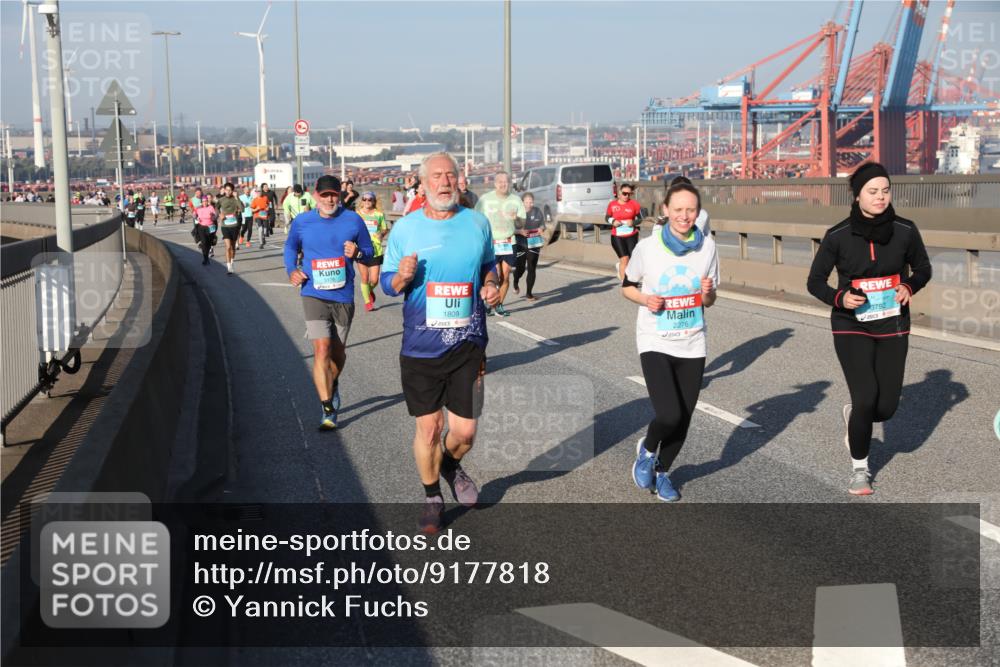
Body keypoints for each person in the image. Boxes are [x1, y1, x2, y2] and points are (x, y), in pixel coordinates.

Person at [381, 152, 500, 533]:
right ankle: (432, 495)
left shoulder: (477, 223)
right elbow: (386, 284)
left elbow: (488, 265)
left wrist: (493, 283)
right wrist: (400, 277)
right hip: (420, 347)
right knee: (429, 429)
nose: (445, 182)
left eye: (451, 175)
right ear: (422, 183)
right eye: (436, 176)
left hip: (468, 343)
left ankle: (449, 465)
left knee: (464, 432)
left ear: (459, 180)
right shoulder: (406, 229)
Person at [806, 162, 932, 496]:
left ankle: (855, 418)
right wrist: (839, 297)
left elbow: (923, 268)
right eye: (873, 191)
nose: (880, 197)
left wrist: (909, 286)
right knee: (865, 398)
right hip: (852, 325)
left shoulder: (905, 230)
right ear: (857, 195)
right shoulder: (838, 235)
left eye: (885, 190)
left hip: (893, 322)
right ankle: (860, 470)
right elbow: (814, 281)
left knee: (885, 407)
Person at [625, 181, 719, 502]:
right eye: (678, 210)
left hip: (693, 342)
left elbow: (710, 300)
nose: (684, 216)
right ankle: (647, 450)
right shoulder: (647, 248)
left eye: (690, 210)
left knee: (685, 417)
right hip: (655, 340)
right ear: (665, 210)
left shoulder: (707, 247)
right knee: (669, 415)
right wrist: (645, 299)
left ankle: (663, 472)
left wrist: (707, 293)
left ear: (698, 211)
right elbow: (627, 286)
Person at [284, 175, 374, 431]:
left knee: (338, 353)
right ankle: (327, 407)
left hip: (343, 295)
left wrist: (357, 253)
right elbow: (290, 248)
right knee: (321, 349)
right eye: (324, 195)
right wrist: (292, 270)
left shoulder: (353, 220)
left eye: (333, 194)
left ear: (340, 195)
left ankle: (332, 384)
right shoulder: (303, 222)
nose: (329, 199)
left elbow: (369, 253)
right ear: (315, 196)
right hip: (313, 292)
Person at [475, 171, 524, 317]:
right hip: (492, 243)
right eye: (500, 182)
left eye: (506, 181)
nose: (503, 184)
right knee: (494, 274)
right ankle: (488, 301)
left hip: (509, 243)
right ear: (495, 183)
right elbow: (476, 218)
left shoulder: (516, 200)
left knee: (505, 277)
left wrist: (516, 218)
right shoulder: (485, 199)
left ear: (509, 183)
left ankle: (499, 305)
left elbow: (522, 222)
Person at [355, 191, 389, 312]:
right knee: (364, 277)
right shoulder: (357, 214)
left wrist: (382, 234)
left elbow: (385, 228)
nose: (367, 201)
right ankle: (368, 302)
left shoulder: (379, 215)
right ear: (361, 201)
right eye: (364, 199)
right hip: (361, 249)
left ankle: (368, 291)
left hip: (376, 249)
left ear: (374, 201)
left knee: (374, 280)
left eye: (370, 199)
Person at [513, 191, 544, 301]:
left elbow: (542, 224)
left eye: (531, 202)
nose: (529, 204)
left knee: (532, 268)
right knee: (520, 268)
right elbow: (510, 230)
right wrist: (519, 232)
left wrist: (541, 228)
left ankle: (529, 294)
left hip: (534, 243)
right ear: (522, 202)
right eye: (527, 202)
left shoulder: (537, 211)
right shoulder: (517, 214)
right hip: (521, 243)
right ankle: (515, 282)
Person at [608, 183, 642, 280]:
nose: (626, 196)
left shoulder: (634, 204)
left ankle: (621, 268)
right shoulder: (612, 205)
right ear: (619, 193)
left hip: (631, 235)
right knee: (624, 259)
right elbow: (607, 217)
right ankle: (625, 283)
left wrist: (633, 222)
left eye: (629, 194)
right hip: (617, 236)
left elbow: (640, 219)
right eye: (624, 193)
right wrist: (613, 221)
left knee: (632, 259)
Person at [216, 182, 244, 275]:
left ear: (232, 191)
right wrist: (220, 214)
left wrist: (237, 198)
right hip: (225, 226)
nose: (228, 191)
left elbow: (242, 209)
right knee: (228, 246)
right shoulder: (221, 200)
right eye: (226, 189)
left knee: (232, 247)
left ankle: (232, 262)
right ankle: (228, 267)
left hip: (234, 226)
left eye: (230, 190)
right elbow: (216, 208)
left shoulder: (235, 199)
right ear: (224, 190)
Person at [193, 189, 218, 266]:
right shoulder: (198, 208)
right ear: (201, 202)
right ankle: (205, 258)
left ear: (207, 201)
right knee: (204, 243)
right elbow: (194, 215)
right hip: (202, 227)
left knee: (209, 243)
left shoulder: (211, 207)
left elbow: (215, 215)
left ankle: (207, 256)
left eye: (206, 201)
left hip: (210, 227)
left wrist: (214, 217)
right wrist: (196, 218)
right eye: (203, 201)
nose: (204, 202)